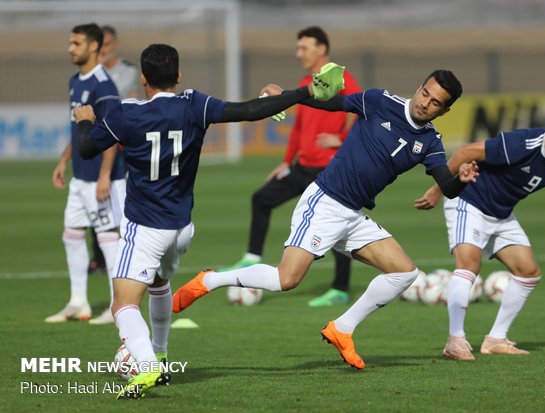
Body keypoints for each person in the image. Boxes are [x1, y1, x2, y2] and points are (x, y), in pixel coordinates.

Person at [74, 43, 345, 398]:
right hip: (182, 229)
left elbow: (87, 148)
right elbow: (249, 111)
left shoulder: (125, 115)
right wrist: (299, 93)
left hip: (145, 226)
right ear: (179, 76)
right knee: (158, 284)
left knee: (123, 304)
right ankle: (160, 352)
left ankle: (147, 365)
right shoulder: (193, 105)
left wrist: (84, 122)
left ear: (142, 78)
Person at [173, 70, 480, 370]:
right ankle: (209, 280)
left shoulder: (430, 141)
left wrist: (462, 179)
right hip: (326, 202)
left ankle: (342, 328)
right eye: (425, 93)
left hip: (353, 216)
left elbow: (448, 187)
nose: (425, 102)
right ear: (419, 87)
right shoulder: (379, 101)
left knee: (404, 273)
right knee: (287, 280)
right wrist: (286, 97)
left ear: (445, 110)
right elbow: (331, 103)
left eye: (436, 102)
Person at [414, 110, 545, 361]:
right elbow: (465, 152)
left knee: (528, 272)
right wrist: (439, 189)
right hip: (469, 200)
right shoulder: (521, 143)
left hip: (501, 215)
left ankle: (496, 339)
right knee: (469, 265)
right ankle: (455, 341)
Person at [222, 26, 361, 308]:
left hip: (328, 171)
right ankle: (251, 257)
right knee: (261, 199)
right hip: (302, 167)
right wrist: (286, 161)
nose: (299, 54)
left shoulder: (343, 78)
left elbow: (363, 110)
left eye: (304, 48)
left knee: (337, 232)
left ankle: (340, 289)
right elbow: (298, 126)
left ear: (322, 49)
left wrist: (341, 138)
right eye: (298, 48)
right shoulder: (305, 81)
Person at [45, 23, 124, 324]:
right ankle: (78, 302)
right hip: (80, 177)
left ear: (93, 46)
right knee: (72, 234)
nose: (70, 48)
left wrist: (105, 175)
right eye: (70, 42)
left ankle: (118, 307)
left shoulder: (104, 85)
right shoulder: (74, 81)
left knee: (107, 237)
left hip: (101, 179)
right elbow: (77, 128)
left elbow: (112, 133)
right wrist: (64, 160)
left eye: (76, 43)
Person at [85, 25, 139, 325]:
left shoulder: (125, 72)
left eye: (106, 44)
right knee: (99, 211)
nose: (103, 49)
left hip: (123, 147)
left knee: (119, 210)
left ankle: (121, 289)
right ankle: (100, 260)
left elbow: (115, 101)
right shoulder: (91, 75)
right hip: (103, 142)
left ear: (113, 44)